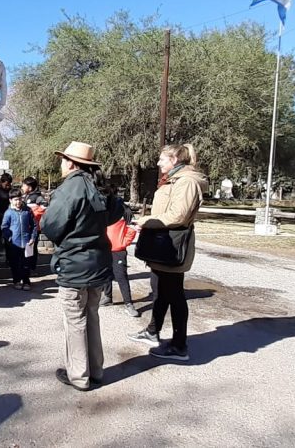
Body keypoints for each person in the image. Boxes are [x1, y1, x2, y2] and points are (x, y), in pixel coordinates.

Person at [40, 141, 122, 391]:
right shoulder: (100, 186)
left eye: (63, 160)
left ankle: (79, 375)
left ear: (71, 163)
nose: (61, 164)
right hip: (98, 263)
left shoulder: (69, 189)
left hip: (75, 264)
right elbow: (117, 213)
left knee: (75, 321)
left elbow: (51, 226)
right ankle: (95, 371)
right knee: (92, 316)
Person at [128, 144, 207, 361]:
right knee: (160, 290)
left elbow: (177, 216)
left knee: (174, 294)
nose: (158, 163)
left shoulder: (187, 181)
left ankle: (179, 346)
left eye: (162, 159)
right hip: (163, 244)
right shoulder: (175, 179)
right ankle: (153, 331)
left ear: (174, 159)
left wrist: (145, 221)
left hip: (172, 245)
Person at [102, 186, 138, 315]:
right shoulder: (102, 207)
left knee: (121, 276)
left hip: (118, 249)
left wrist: (123, 243)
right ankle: (107, 297)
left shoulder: (123, 209)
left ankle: (128, 303)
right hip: (103, 247)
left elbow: (133, 227)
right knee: (105, 274)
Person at [1, 189, 37, 291]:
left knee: (26, 263)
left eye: (20, 199)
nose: (18, 202)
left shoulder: (27, 211)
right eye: (16, 199)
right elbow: (4, 227)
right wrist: (9, 238)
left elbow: (34, 225)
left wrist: (32, 238)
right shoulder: (8, 213)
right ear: (10, 200)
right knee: (15, 263)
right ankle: (16, 280)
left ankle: (26, 281)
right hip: (14, 244)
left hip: (26, 242)